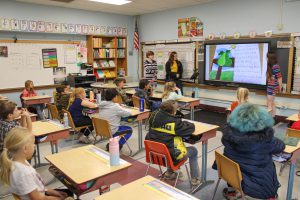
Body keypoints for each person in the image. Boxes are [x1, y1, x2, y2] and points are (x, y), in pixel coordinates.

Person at [220, 103, 285, 199]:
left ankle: (235, 191)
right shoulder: (264, 140)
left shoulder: (228, 135)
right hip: (259, 185)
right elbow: (281, 146)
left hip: (233, 177)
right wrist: (267, 132)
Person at [0, 127, 73, 199]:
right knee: (70, 194)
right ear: (25, 149)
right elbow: (39, 198)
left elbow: (37, 186)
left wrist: (51, 191)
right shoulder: (24, 173)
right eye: (32, 144)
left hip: (39, 193)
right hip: (39, 197)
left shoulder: (16, 161)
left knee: (69, 192)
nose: (34, 146)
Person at [146, 100, 201, 187]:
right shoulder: (175, 123)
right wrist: (182, 121)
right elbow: (190, 128)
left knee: (167, 143)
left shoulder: (152, 117)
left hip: (155, 155)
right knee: (193, 150)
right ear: (173, 111)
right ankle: (195, 179)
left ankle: (169, 172)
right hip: (171, 157)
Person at [266, 52, 282, 117]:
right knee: (271, 103)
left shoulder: (275, 66)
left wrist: (280, 88)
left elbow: (279, 77)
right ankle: (273, 118)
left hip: (273, 88)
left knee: (269, 104)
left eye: (267, 57)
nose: (266, 58)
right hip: (270, 87)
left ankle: (270, 119)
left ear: (270, 58)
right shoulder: (270, 66)